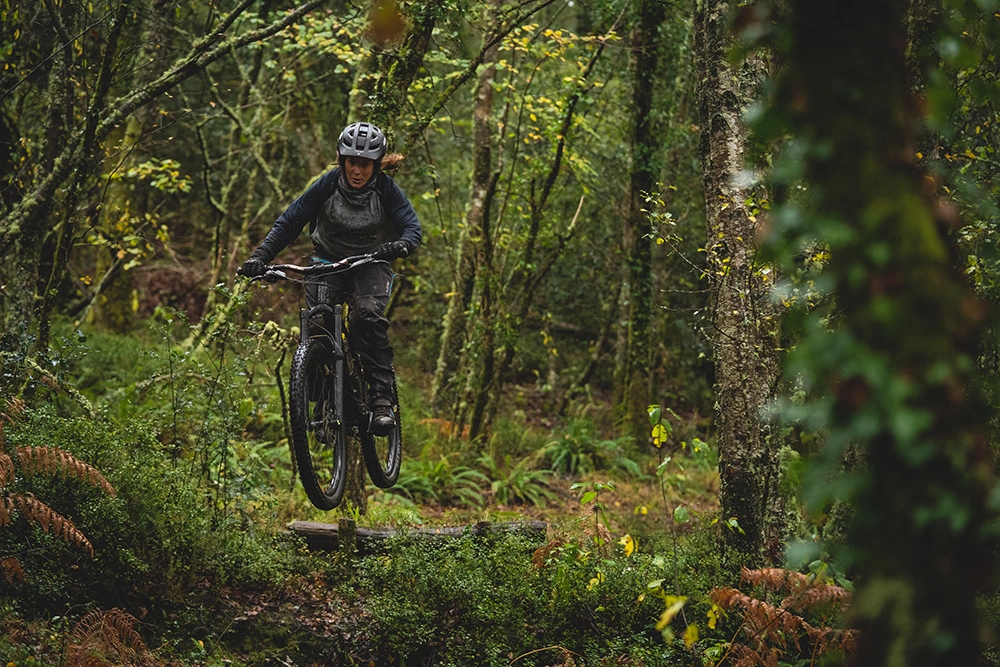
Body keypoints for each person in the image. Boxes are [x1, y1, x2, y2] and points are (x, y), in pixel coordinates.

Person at [238, 121, 421, 434]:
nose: (357, 171)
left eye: (364, 165)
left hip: (371, 262)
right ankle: (323, 395)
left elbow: (412, 228)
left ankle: (380, 399)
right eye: (352, 163)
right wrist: (259, 258)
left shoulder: (387, 190)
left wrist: (401, 244)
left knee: (365, 317)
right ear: (342, 160)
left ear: (375, 166)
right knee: (319, 321)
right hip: (327, 261)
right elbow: (289, 223)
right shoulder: (326, 186)